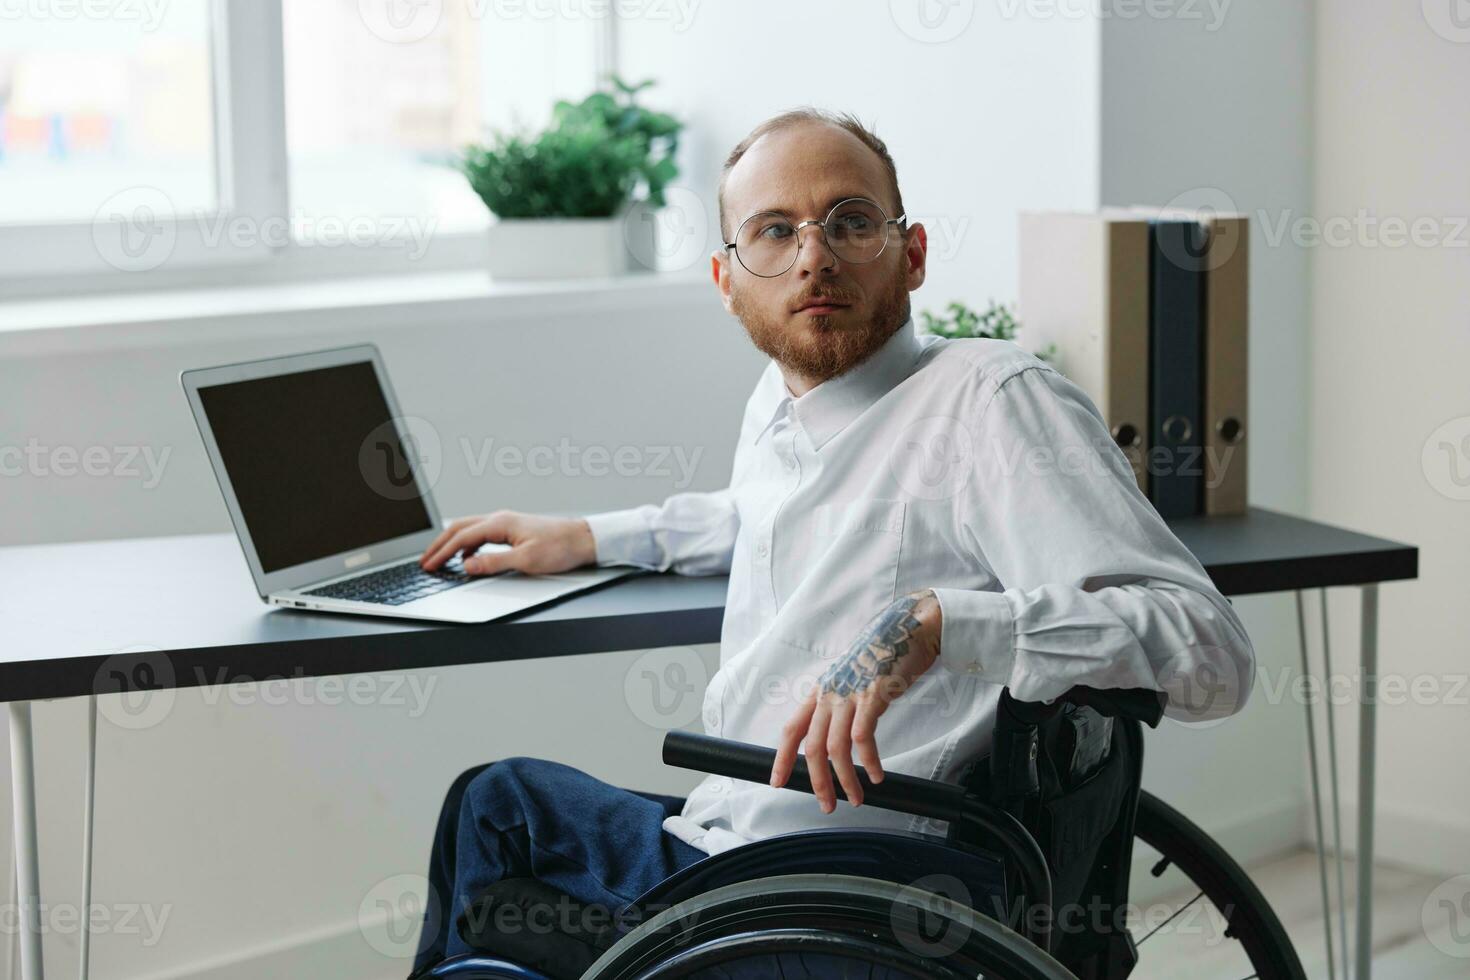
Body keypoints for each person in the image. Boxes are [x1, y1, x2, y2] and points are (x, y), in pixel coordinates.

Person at [407, 107, 1256, 974]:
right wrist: (589, 534)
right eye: (775, 232)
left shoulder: (992, 401)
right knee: (496, 811)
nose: (814, 255)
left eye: (851, 222)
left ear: (912, 252)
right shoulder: (781, 405)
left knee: (499, 846)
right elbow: (764, 515)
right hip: (743, 836)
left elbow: (1212, 651)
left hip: (855, 889)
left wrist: (938, 623)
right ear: (728, 280)